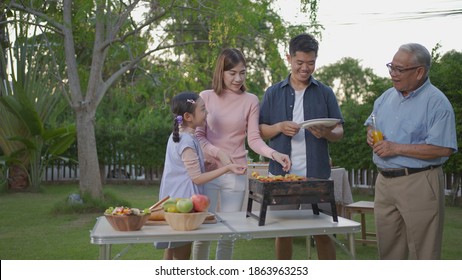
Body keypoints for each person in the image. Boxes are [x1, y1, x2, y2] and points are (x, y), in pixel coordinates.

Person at [193, 48, 291, 260]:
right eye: (232, 73)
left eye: (243, 72)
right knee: (202, 232)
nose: (238, 78)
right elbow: (198, 137)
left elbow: (254, 139)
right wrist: (218, 153)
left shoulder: (251, 100)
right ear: (221, 72)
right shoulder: (206, 97)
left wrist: (275, 154)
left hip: (235, 174)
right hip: (208, 174)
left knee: (228, 234)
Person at [364, 43, 457, 260]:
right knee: (388, 252)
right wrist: (370, 133)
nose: (393, 74)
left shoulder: (437, 103)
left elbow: (443, 148)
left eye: (399, 69)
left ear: (419, 72)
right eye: (391, 67)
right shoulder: (386, 97)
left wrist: (395, 147)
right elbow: (372, 123)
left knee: (423, 252)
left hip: (418, 182)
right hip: (384, 182)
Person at [259, 33, 344, 260]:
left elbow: (339, 131)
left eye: (311, 63)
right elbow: (259, 131)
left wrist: (326, 132)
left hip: (317, 176)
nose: (305, 68)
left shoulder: (325, 92)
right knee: (283, 233)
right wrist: (278, 127)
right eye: (300, 63)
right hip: (281, 176)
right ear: (289, 58)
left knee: (323, 233)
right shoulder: (273, 92)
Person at [157, 92, 247, 260]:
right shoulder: (187, 141)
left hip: (174, 200)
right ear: (188, 116)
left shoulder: (179, 136)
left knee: (171, 250)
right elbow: (196, 178)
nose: (207, 113)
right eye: (203, 109)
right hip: (183, 204)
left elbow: (183, 168)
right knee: (182, 254)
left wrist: (204, 165)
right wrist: (227, 168)